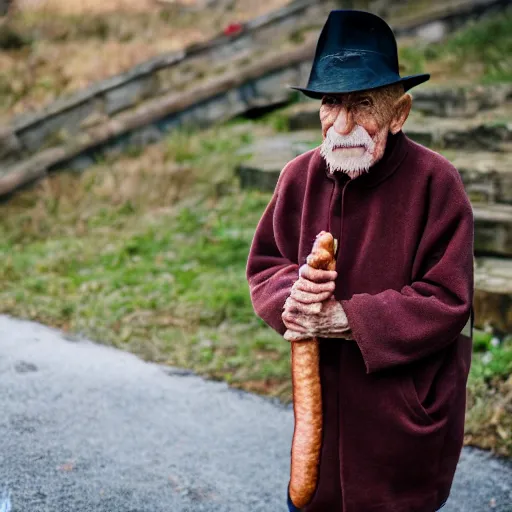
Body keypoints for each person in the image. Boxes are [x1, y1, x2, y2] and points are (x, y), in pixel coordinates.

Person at [246, 10, 474, 512]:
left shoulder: (437, 183)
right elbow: (267, 265)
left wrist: (346, 318)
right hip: (319, 426)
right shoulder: (298, 176)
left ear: (400, 113)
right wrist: (295, 299)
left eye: (364, 103)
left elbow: (448, 299)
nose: (343, 125)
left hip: (402, 422)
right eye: (331, 103)